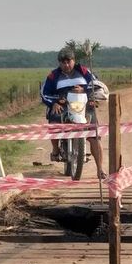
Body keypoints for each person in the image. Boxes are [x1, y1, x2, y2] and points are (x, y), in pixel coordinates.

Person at [41, 47, 106, 179]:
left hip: (83, 104)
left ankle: (100, 169)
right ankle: (56, 149)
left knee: (94, 135)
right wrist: (54, 103)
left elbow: (96, 84)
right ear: (59, 63)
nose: (66, 65)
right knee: (54, 122)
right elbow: (44, 94)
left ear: (73, 61)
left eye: (68, 61)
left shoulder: (83, 71)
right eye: (63, 62)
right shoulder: (53, 76)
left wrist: (87, 92)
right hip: (63, 105)